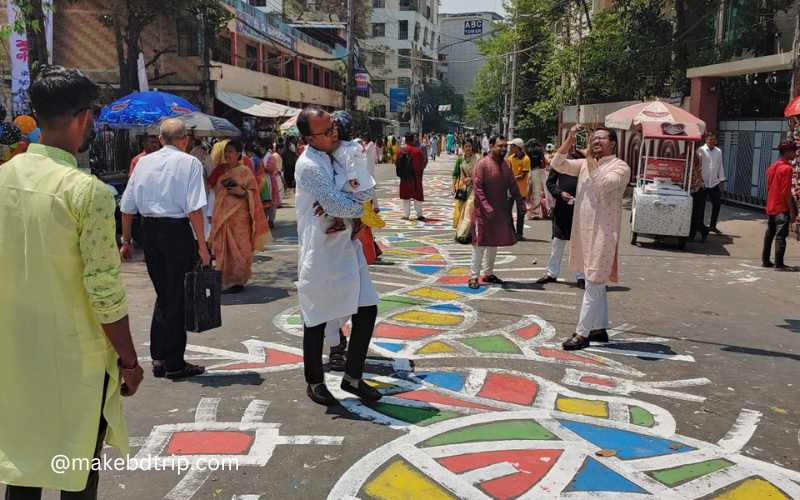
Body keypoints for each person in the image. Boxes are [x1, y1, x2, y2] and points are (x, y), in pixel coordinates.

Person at [0, 66, 143, 499]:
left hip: (14, 352)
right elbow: (104, 291)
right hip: (74, 358)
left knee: (23, 466)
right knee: (78, 467)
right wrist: (129, 359)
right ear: (84, 117)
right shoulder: (88, 193)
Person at [294, 107, 382, 406]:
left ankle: (353, 377)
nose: (334, 133)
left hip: (347, 245)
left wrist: (352, 205)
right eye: (326, 131)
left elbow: (366, 190)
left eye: (333, 127)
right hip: (320, 251)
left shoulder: (341, 152)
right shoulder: (309, 165)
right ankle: (314, 381)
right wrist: (351, 207)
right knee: (316, 316)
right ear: (308, 138)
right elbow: (337, 203)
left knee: (367, 309)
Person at [120, 118, 210, 378]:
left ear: (160, 139)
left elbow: (127, 208)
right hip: (176, 231)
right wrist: (202, 245)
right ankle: (173, 361)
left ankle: (161, 358)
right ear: (185, 140)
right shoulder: (189, 162)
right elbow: (195, 208)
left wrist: (126, 241)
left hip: (149, 232)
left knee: (165, 293)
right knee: (176, 296)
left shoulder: (143, 162)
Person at [551, 125, 631, 351]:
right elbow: (557, 164)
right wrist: (569, 140)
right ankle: (598, 328)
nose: (596, 142)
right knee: (595, 281)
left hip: (603, 235)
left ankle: (582, 333)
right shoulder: (585, 165)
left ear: (613, 143)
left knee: (593, 283)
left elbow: (603, 185)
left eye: (601, 138)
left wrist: (589, 160)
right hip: (583, 233)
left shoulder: (620, 167)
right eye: (593, 138)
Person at [209, 139, 270, 293]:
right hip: (222, 216)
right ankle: (225, 280)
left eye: (231, 151)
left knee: (241, 249)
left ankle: (237, 281)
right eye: (226, 151)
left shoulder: (245, 171)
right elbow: (212, 189)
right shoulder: (221, 170)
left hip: (240, 218)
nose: (228, 154)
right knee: (224, 249)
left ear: (238, 154)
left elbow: (254, 193)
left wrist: (241, 192)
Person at [468, 136, 523, 289]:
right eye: (500, 146)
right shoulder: (482, 165)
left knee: (494, 244)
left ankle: (488, 273)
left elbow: (512, 185)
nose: (503, 149)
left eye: (505, 146)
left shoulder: (506, 165)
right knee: (479, 245)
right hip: (482, 214)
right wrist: (486, 207)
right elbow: (478, 189)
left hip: (500, 212)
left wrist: (520, 202)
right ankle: (474, 276)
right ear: (491, 146)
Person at [536, 163, 585, 287]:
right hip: (562, 208)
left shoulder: (586, 162)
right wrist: (560, 193)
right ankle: (552, 273)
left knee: (580, 243)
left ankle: (582, 276)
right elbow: (550, 183)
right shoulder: (560, 162)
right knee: (558, 242)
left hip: (583, 208)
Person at [762, 142, 797, 270]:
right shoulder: (787, 168)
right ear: (787, 152)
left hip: (771, 204)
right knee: (781, 236)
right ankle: (779, 263)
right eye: (793, 151)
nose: (795, 154)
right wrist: (792, 211)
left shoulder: (772, 166)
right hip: (781, 206)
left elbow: (769, 186)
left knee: (770, 234)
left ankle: (765, 260)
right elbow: (786, 192)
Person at [697, 132, 726, 233]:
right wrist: (698, 180)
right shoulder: (700, 150)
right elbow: (697, 167)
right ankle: (699, 226)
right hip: (703, 183)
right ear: (706, 140)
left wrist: (722, 180)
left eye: (714, 140)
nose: (712, 141)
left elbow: (720, 165)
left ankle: (713, 226)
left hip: (714, 183)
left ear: (716, 141)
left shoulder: (719, 151)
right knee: (701, 206)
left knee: (717, 204)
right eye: (710, 139)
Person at [452, 141, 479, 243]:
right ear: (463, 148)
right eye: (466, 146)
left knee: (468, 211)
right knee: (460, 212)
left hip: (474, 188)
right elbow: (455, 173)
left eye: (470, 146)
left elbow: (480, 174)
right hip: (463, 188)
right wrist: (453, 185)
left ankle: (462, 235)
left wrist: (472, 179)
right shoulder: (460, 159)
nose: (468, 148)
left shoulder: (477, 159)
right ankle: (461, 232)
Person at [398, 132, 428, 221]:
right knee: (417, 196)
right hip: (416, 177)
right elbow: (422, 164)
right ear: (413, 139)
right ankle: (419, 214)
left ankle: (406, 215)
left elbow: (397, 163)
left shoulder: (400, 150)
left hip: (404, 177)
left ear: (406, 140)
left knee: (406, 196)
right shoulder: (418, 151)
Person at [507, 138, 531, 240]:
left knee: (521, 212)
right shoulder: (510, 158)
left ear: (518, 147)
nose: (511, 148)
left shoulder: (526, 159)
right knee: (508, 211)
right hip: (511, 189)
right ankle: (512, 232)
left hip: (521, 191)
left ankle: (519, 234)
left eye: (513, 146)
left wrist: (512, 178)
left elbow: (523, 175)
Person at [689, 152, 710, 242]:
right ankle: (702, 230)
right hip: (693, 189)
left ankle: (693, 235)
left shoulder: (698, 157)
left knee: (695, 215)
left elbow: (698, 175)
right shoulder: (685, 155)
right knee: (693, 214)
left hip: (698, 190)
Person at [527, 141, 548, 220]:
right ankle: (535, 212)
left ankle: (529, 212)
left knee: (529, 192)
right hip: (537, 170)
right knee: (537, 192)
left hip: (528, 171)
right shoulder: (540, 150)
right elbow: (543, 162)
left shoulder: (528, 150)